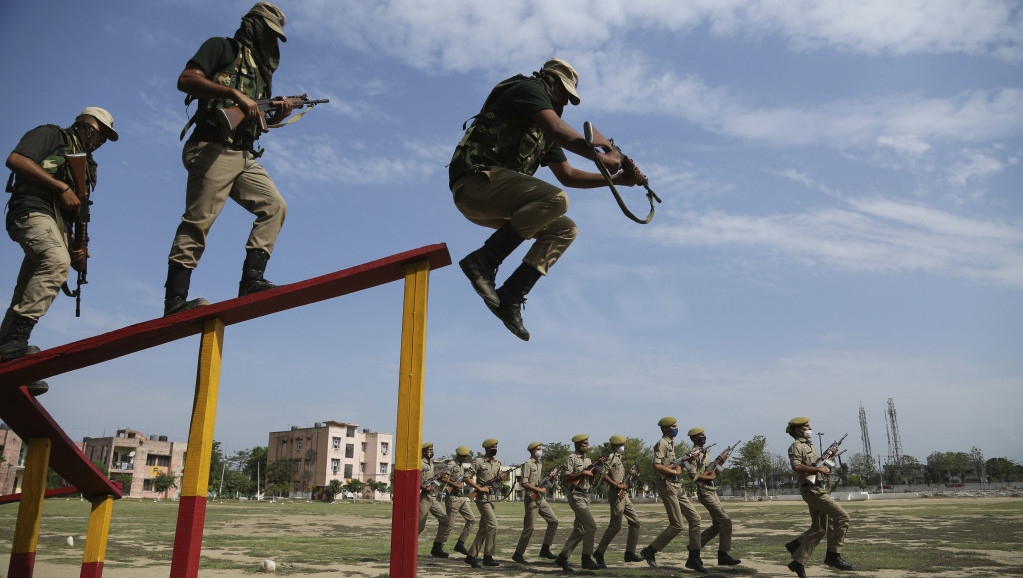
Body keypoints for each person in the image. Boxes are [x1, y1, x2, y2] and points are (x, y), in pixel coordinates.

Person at [448, 58, 646, 340]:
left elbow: (568, 175)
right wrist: (603, 156)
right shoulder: (529, 89)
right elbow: (556, 128)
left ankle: (511, 296)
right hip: (475, 182)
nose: (564, 101)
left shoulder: (544, 130)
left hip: (497, 201)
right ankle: (483, 261)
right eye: (563, 93)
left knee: (565, 229)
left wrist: (618, 180)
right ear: (551, 82)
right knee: (557, 199)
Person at [164, 2, 293, 316]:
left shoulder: (261, 72)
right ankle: (175, 301)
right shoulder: (221, 47)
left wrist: (279, 115)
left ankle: (251, 280)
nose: (270, 39)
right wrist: (235, 94)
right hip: (212, 147)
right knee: (198, 222)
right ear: (252, 25)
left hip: (243, 153)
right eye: (267, 31)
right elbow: (186, 79)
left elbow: (256, 119)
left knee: (275, 206)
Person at [2, 107, 118, 396]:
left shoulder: (89, 167)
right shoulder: (51, 134)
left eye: (104, 137)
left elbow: (78, 212)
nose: (99, 140)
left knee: (30, 286)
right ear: (83, 125)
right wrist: (59, 186)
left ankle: (7, 355)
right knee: (55, 262)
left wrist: (80, 246)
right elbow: (15, 160)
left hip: (56, 224)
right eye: (98, 132)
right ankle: (14, 346)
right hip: (31, 209)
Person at [784, 417, 855, 578]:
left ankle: (798, 561)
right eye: (806, 426)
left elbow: (817, 465)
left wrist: (829, 458)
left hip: (816, 488)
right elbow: (797, 466)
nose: (810, 427)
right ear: (798, 430)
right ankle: (833, 556)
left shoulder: (810, 445)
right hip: (812, 490)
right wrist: (818, 470)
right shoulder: (796, 446)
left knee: (819, 528)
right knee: (843, 516)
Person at [640, 417, 708, 573]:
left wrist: (689, 459)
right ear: (665, 429)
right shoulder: (662, 443)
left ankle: (694, 557)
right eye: (673, 426)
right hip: (667, 485)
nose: (676, 428)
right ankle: (650, 551)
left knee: (695, 518)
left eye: (676, 425)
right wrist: (672, 471)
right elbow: (656, 465)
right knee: (677, 524)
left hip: (677, 485)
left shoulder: (671, 443)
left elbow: (679, 467)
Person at [686, 427, 741, 566]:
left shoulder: (705, 452)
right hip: (705, 491)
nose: (704, 436)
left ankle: (695, 544)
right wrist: (710, 475)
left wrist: (720, 462)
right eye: (700, 435)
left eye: (704, 434)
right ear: (693, 438)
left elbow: (712, 470)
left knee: (718, 524)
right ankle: (723, 555)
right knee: (726, 521)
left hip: (711, 490)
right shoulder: (693, 454)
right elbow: (693, 475)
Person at [555, 434, 607, 572]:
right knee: (591, 526)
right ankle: (586, 558)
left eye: (588, 443)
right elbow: (566, 478)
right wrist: (583, 472)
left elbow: (590, 480)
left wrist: (595, 469)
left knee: (580, 530)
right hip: (576, 495)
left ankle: (562, 558)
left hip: (585, 495)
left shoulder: (589, 459)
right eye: (584, 444)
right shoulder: (571, 458)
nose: (587, 446)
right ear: (577, 445)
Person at [594, 435, 643, 568]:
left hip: (623, 493)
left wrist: (630, 475)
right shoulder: (610, 457)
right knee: (615, 526)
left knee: (635, 522)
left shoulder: (618, 457)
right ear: (616, 446)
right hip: (615, 493)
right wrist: (617, 484)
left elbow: (620, 477)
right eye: (622, 444)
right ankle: (599, 552)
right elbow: (603, 475)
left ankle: (629, 553)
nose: (623, 447)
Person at [463, 438, 508, 568]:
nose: (495, 449)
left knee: (483, 528)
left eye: (496, 446)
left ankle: (471, 556)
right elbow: (466, 477)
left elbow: (495, 482)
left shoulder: (498, 462)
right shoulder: (479, 462)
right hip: (482, 499)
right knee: (493, 526)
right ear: (487, 448)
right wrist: (479, 488)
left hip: (491, 498)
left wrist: (500, 478)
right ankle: (488, 556)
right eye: (493, 447)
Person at [513, 442, 559, 564]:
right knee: (529, 528)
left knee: (554, 521)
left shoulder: (540, 464)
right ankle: (518, 554)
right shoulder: (528, 464)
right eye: (538, 449)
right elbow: (524, 483)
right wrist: (539, 489)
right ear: (532, 451)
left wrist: (551, 478)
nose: (540, 451)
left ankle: (545, 549)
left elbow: (540, 483)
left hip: (540, 499)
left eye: (541, 449)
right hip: (531, 499)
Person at [441, 446, 477, 558]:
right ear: (459, 455)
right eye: (464, 456)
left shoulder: (461, 465)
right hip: (452, 498)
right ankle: (438, 546)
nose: (466, 458)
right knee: (449, 525)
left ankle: (460, 544)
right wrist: (456, 484)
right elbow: (443, 478)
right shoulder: (452, 464)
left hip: (460, 497)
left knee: (471, 520)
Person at [418, 443, 450, 558]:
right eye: (429, 449)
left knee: (445, 520)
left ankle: (437, 548)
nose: (431, 451)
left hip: (432, 497)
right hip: (424, 497)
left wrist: (439, 476)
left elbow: (429, 479)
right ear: (424, 451)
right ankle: (406, 547)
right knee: (419, 526)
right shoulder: (420, 463)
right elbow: (416, 479)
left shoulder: (431, 463)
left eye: (432, 449)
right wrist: (424, 487)